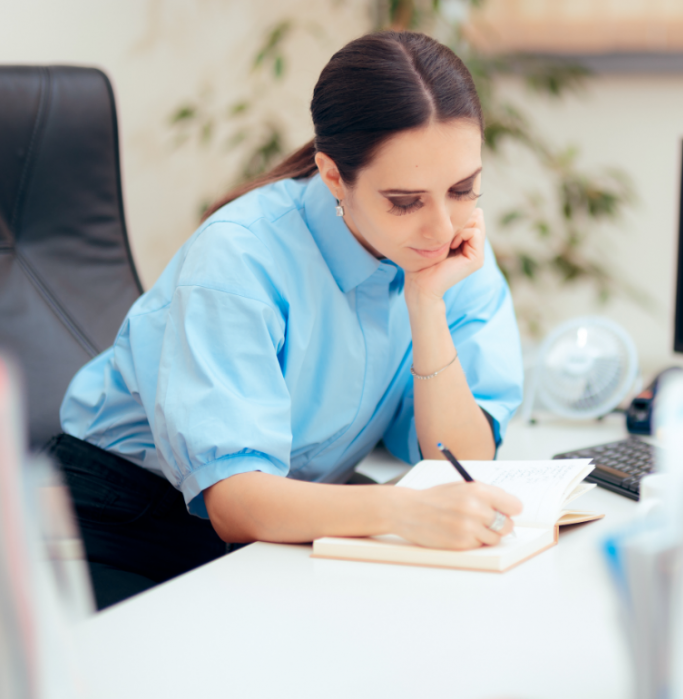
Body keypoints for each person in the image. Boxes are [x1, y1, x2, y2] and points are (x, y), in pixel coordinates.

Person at [48, 31, 524, 610]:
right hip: (123, 518)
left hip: (286, 515)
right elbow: (235, 504)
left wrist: (427, 306)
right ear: (332, 176)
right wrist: (404, 510)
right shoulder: (240, 256)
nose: (442, 227)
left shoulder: (448, 253)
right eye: (405, 201)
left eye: (463, 189)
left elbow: (461, 460)